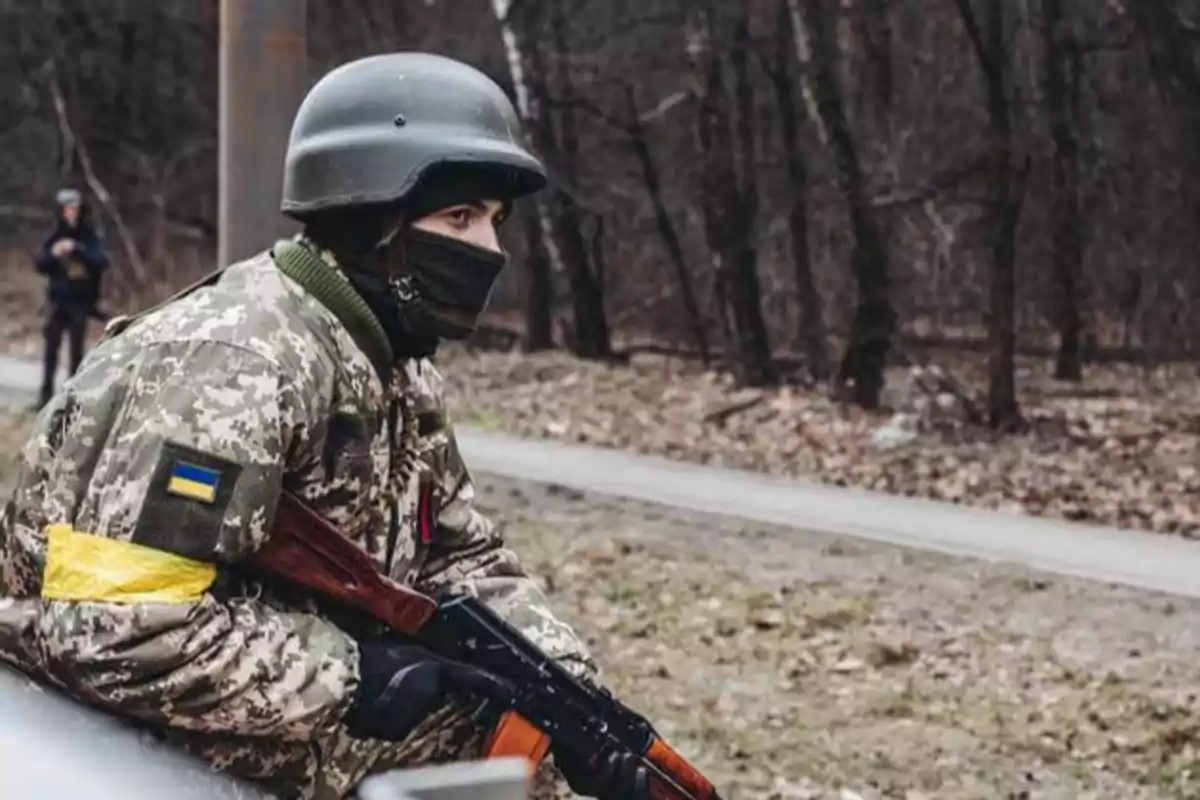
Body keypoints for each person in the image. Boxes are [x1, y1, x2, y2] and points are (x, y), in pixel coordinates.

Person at [0, 54, 651, 800]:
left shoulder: (391, 361)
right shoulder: (231, 364)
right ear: (373, 218)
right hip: (90, 741)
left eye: (494, 223)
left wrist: (576, 701)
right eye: (461, 217)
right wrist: (352, 678)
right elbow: (113, 630)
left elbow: (459, 558)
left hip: (248, 720)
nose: (491, 251)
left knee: (525, 759)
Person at [32, 187, 109, 408]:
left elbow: (100, 262)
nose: (72, 213)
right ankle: (44, 397)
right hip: (57, 300)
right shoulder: (53, 236)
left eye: (75, 208)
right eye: (67, 209)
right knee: (51, 350)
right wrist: (54, 254)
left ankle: (71, 399)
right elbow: (39, 264)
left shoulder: (89, 236)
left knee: (76, 352)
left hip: (80, 302)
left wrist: (76, 249)